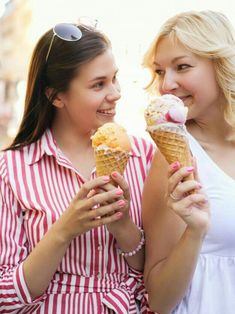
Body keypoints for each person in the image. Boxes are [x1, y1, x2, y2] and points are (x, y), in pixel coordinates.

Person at [0, 21, 155, 313]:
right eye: (99, 84)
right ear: (55, 96)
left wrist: (124, 227)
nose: (116, 93)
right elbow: (5, 296)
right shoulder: (11, 169)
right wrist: (64, 230)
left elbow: (157, 276)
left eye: (114, 79)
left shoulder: (144, 156)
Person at [142, 10, 235, 314]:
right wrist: (195, 232)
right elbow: (158, 299)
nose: (166, 84)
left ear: (221, 64)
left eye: (182, 67)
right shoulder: (172, 157)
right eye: (159, 71)